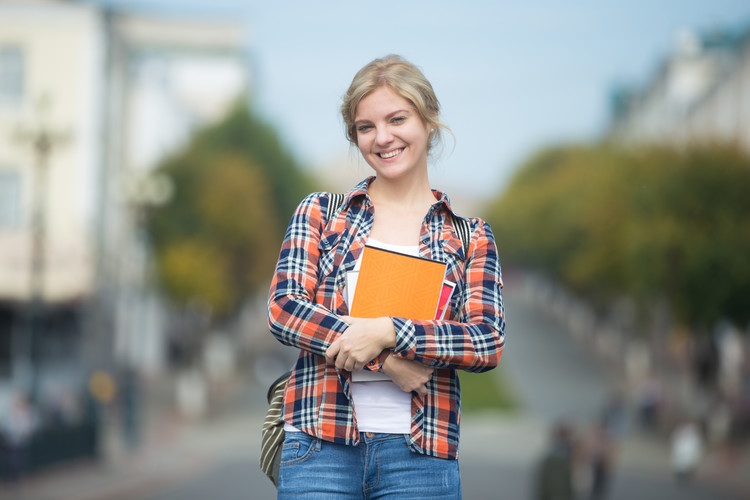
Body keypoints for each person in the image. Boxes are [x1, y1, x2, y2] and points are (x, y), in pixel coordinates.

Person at [267, 54, 506, 499]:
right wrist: (384, 358)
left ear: (428, 120)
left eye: (397, 119)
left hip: (421, 458)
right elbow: (285, 311)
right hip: (319, 447)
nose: (383, 138)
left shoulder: (470, 236)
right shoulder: (320, 213)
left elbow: (487, 340)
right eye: (365, 127)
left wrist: (389, 330)